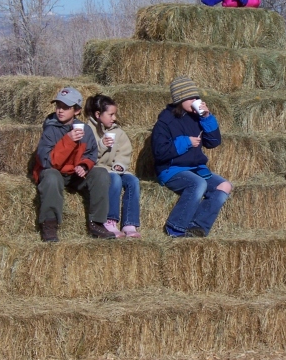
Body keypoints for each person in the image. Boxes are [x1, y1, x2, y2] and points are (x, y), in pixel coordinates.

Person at [152, 77, 232, 237]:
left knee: (224, 186)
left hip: (196, 168)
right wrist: (186, 142)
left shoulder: (197, 118)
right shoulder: (164, 122)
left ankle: (197, 226)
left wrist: (207, 118)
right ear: (180, 99)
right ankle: (175, 227)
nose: (196, 100)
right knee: (198, 184)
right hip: (171, 169)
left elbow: (214, 142)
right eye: (191, 98)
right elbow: (159, 152)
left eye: (197, 97)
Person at [32, 87, 113, 242]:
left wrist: (84, 166)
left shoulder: (86, 130)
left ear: (76, 111)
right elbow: (48, 162)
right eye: (58, 106)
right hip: (55, 172)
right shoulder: (50, 129)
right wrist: (68, 140)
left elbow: (91, 154)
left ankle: (96, 223)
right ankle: (49, 224)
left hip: (74, 174)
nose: (60, 111)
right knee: (51, 177)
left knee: (101, 173)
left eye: (66, 107)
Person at [84, 93, 142, 239]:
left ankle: (130, 223)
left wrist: (120, 166)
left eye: (114, 114)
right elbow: (86, 155)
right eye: (110, 114)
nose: (114, 118)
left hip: (113, 169)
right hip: (97, 170)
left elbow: (124, 152)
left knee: (133, 181)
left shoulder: (118, 132)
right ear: (98, 114)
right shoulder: (87, 130)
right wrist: (101, 146)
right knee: (114, 180)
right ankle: (109, 221)